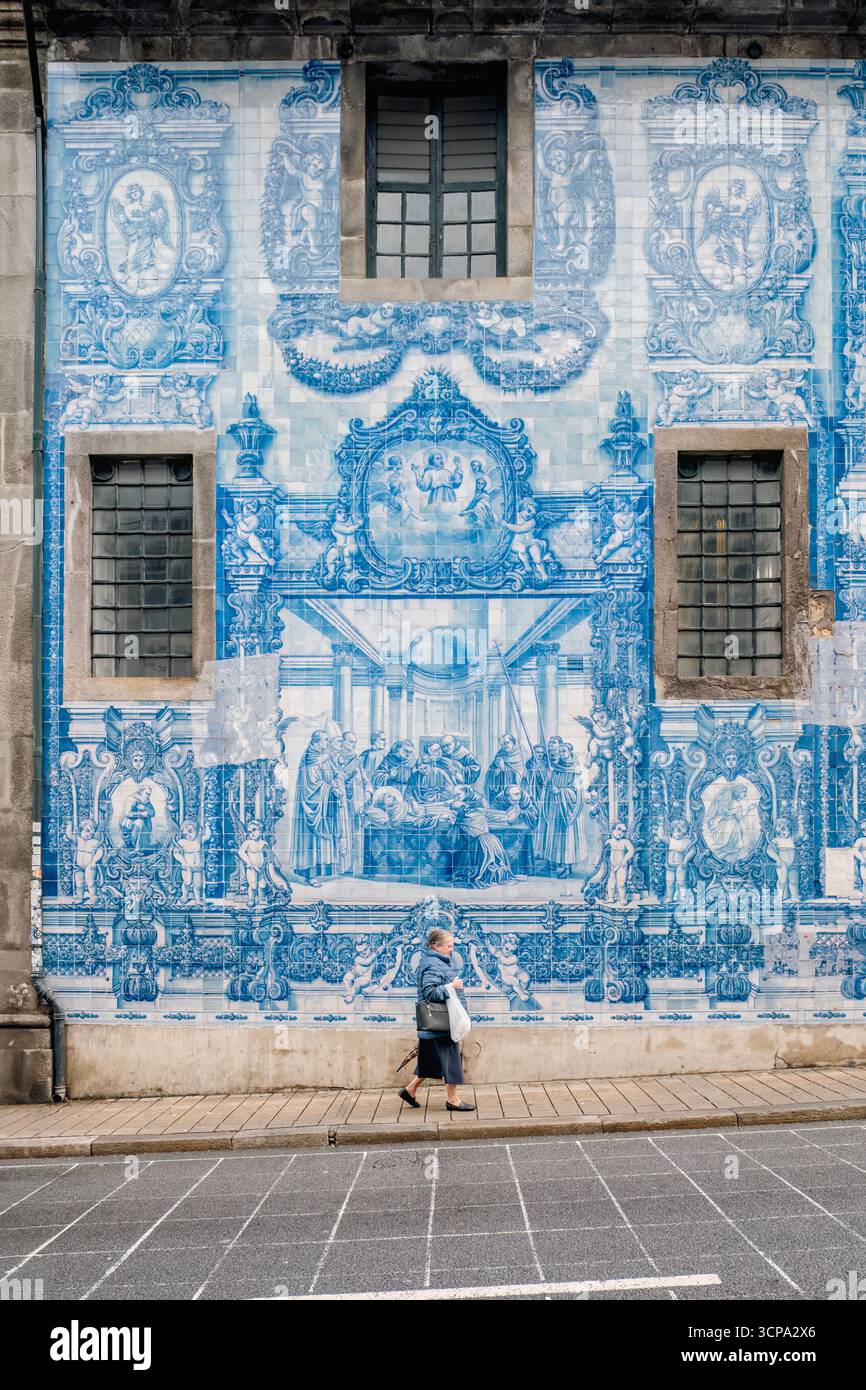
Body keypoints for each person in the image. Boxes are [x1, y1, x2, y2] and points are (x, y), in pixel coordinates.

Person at [398, 926, 475, 1113]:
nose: (452, 949)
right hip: (441, 1023)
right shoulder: (433, 964)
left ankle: (410, 1090)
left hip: (434, 1024)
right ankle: (453, 1099)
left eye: (452, 945)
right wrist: (452, 986)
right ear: (436, 946)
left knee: (429, 1061)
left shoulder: (436, 962)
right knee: (452, 1060)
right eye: (449, 945)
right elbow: (430, 993)